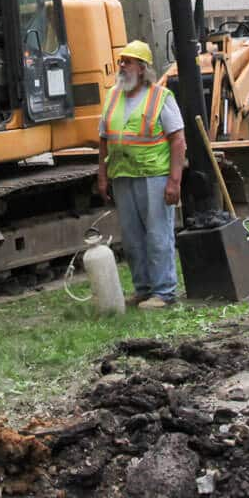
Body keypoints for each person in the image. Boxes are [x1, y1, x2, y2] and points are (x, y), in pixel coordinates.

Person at [94, 40, 187, 309]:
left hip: (154, 176)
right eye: (121, 61)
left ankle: (164, 292)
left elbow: (178, 140)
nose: (122, 66)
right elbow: (103, 139)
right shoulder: (113, 96)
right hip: (123, 176)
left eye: (129, 61)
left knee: (158, 236)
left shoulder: (161, 97)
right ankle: (143, 289)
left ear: (143, 68)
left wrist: (174, 181)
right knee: (133, 238)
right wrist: (102, 175)